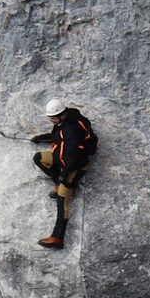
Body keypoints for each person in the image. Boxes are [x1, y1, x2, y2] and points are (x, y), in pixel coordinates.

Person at [32, 98, 97, 248]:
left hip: (75, 165)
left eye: (53, 118)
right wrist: (39, 139)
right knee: (39, 158)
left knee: (62, 199)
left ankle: (57, 238)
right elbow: (57, 137)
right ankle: (60, 185)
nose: (51, 121)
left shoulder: (72, 129)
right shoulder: (61, 122)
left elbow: (74, 157)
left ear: (62, 114)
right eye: (50, 118)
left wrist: (64, 175)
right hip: (62, 158)